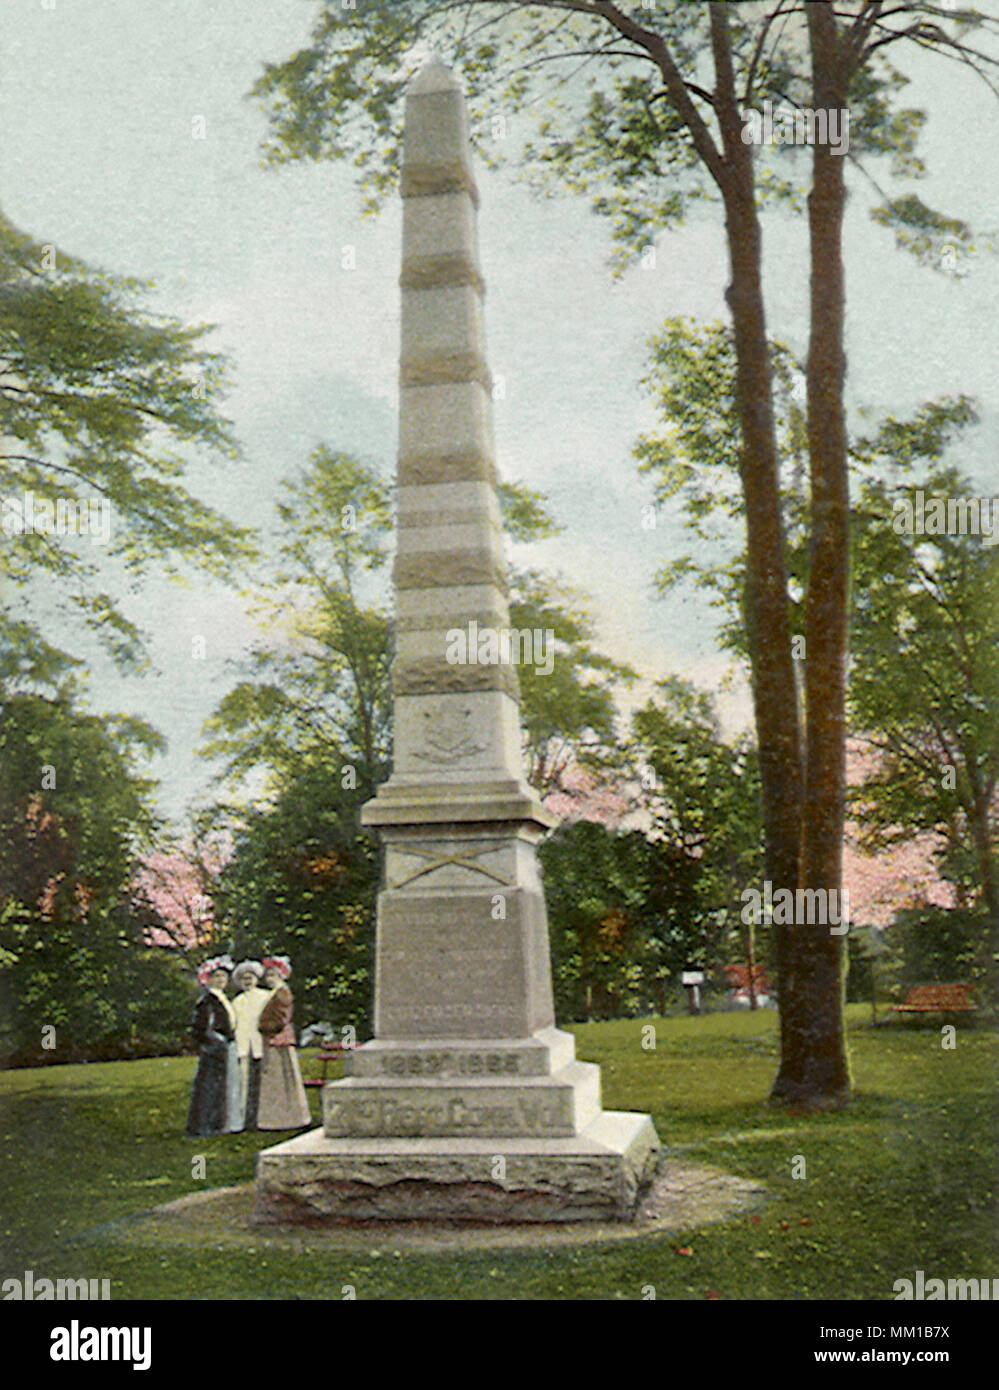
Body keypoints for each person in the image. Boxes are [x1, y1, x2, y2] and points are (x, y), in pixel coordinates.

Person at [185, 955, 241, 1137]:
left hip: (225, 1047)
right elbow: (201, 1029)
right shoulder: (207, 1001)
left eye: (223, 977)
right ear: (208, 979)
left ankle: (219, 1123)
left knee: (222, 1087)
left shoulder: (222, 998)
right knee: (209, 1087)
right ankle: (205, 1126)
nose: (221, 980)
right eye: (216, 977)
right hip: (214, 1049)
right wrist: (216, 1042)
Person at [256, 956, 311, 1130]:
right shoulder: (275, 993)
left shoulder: (282, 993)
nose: (269, 979)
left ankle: (285, 1117)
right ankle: (276, 1117)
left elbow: (280, 1018)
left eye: (273, 975)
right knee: (275, 1078)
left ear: (281, 976)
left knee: (281, 1077)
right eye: (268, 976)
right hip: (273, 1038)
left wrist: (263, 1027)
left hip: (278, 1038)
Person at [231, 960, 269, 1130]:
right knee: (244, 1081)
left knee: (264, 1080)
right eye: (244, 979)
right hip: (244, 1043)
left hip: (261, 1042)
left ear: (257, 979)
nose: (247, 981)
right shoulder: (237, 1001)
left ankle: (265, 1117)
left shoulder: (265, 996)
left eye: (250, 978)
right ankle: (246, 1119)